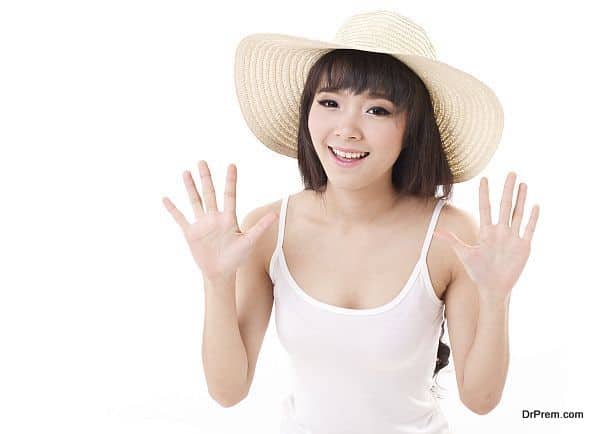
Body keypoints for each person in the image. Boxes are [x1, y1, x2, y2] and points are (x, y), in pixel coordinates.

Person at [162, 10, 540, 434]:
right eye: (329, 102)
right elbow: (227, 391)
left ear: (410, 129)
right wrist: (215, 281)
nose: (347, 128)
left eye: (377, 110)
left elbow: (481, 400)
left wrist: (496, 296)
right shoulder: (268, 230)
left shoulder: (449, 237)